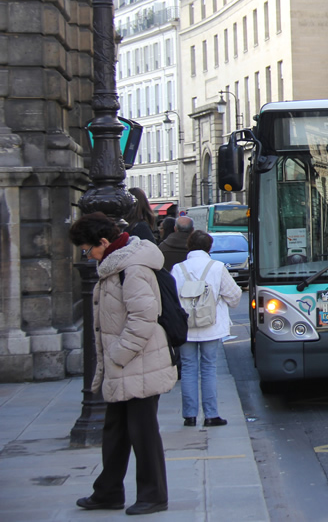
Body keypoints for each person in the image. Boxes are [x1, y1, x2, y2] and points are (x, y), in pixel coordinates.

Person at [69, 212, 174, 515]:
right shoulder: (113, 267)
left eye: (88, 249)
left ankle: (154, 495)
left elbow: (144, 317)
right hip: (126, 365)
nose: (87, 255)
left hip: (139, 363)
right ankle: (108, 492)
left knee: (142, 431)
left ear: (104, 242)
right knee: (115, 430)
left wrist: (118, 354)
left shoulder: (132, 268)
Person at [171, 230, 242, 427]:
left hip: (186, 327)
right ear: (209, 248)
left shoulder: (178, 268)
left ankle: (189, 416)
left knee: (188, 368)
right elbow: (235, 296)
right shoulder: (217, 267)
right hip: (210, 325)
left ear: (189, 246)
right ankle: (211, 415)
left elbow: (172, 297)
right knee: (209, 368)